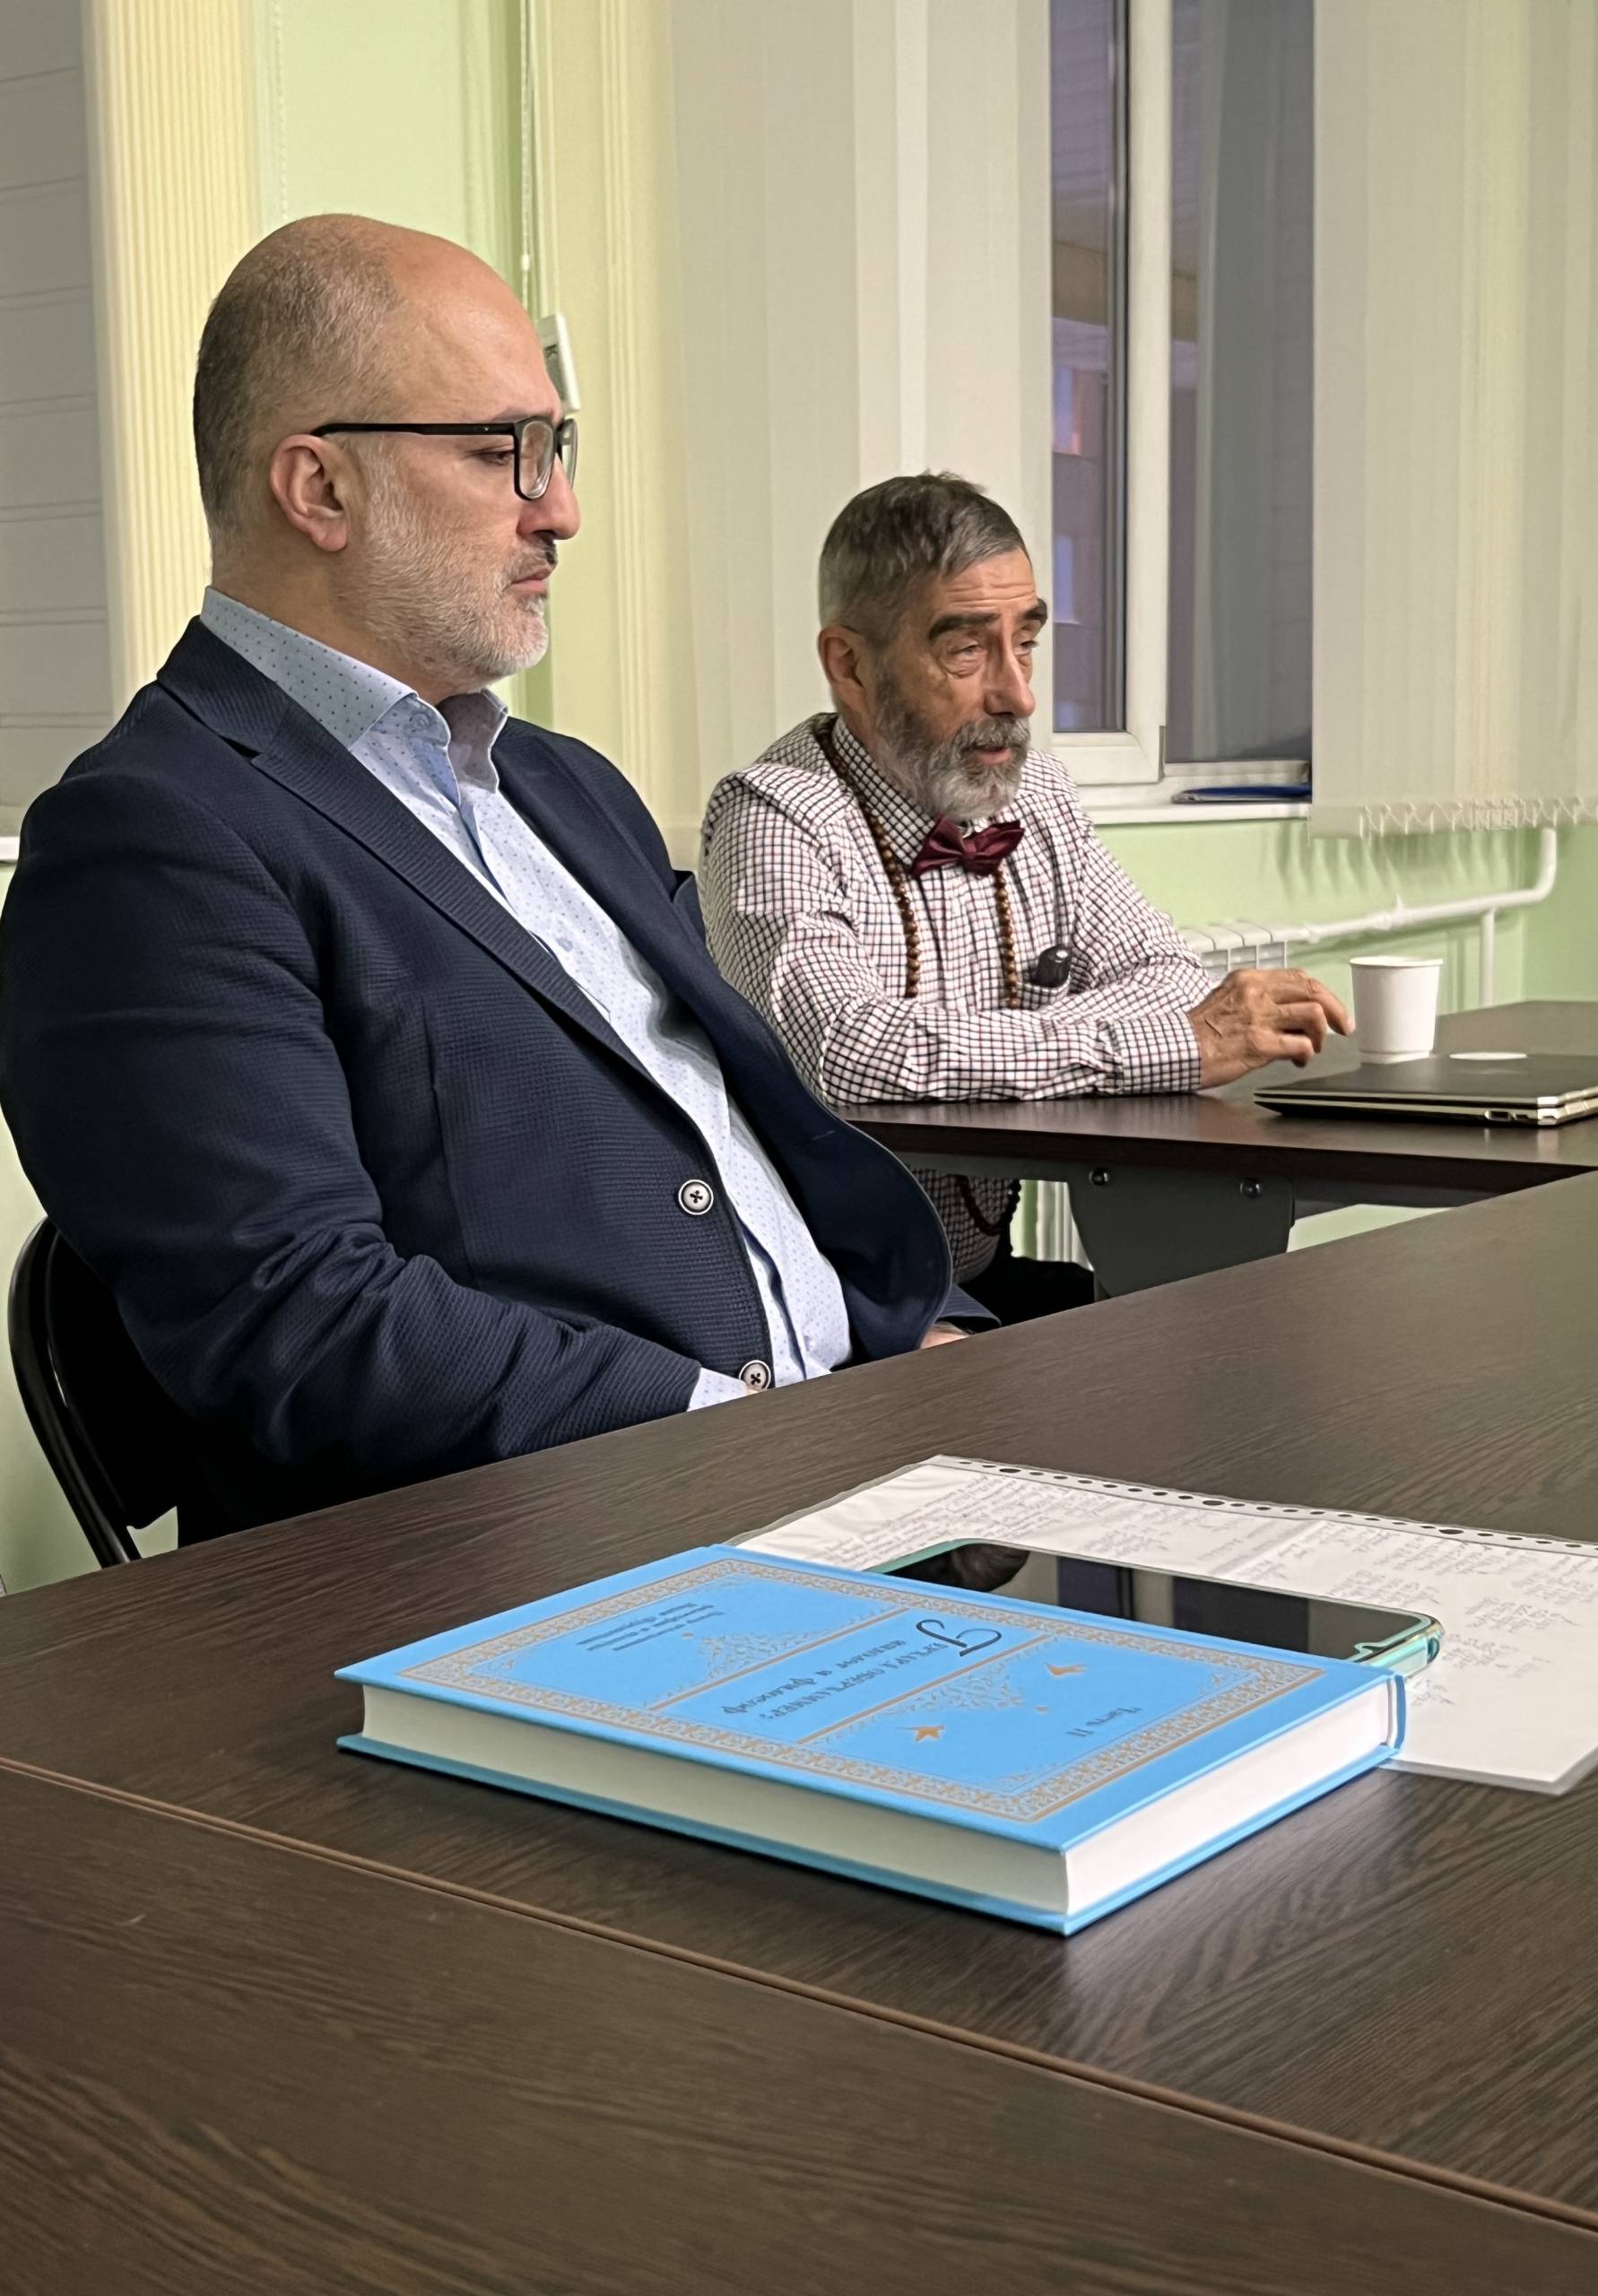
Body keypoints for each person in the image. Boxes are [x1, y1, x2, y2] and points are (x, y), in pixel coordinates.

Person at [0, 220, 980, 1543]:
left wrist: (924, 1337)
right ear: (320, 488)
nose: (559, 507)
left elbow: (744, 1134)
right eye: (499, 449)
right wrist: (745, 1439)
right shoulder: (150, 839)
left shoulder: (568, 788)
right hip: (546, 1567)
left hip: (847, 1482)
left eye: (558, 447)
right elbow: (291, 1314)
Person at [699, 473, 1351, 1324]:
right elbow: (849, 1052)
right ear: (849, 664)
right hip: (830, 1305)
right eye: (967, 651)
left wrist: (1131, 1033)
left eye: (1028, 643)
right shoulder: (772, 814)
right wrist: (1172, 1046)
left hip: (977, 1277)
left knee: (1249, 1330)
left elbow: (1167, 975)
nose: (1018, 695)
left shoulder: (1035, 791)